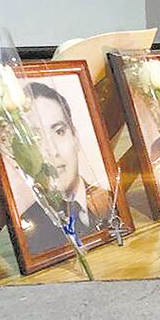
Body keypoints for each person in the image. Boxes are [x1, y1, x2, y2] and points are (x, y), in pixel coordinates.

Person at [20, 82, 111, 256]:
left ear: (75, 137)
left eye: (59, 131)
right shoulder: (28, 230)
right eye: (36, 137)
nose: (52, 151)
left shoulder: (112, 201)